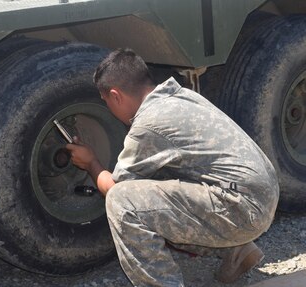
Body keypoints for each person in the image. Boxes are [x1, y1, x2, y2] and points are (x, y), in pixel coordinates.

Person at [65, 48, 279, 287]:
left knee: (124, 202)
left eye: (107, 102)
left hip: (243, 207)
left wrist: (91, 162)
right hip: (261, 194)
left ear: (116, 96)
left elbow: (114, 187)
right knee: (157, 186)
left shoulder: (148, 124)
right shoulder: (180, 95)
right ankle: (237, 251)